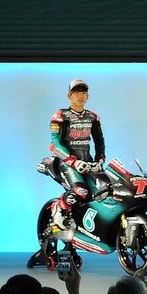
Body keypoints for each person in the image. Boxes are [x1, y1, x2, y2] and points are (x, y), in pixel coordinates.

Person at [49, 79, 106, 233]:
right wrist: (72, 161)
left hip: (88, 163)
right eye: (76, 92)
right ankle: (58, 207)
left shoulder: (93, 117)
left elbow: (99, 141)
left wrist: (100, 159)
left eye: (83, 92)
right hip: (66, 163)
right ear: (69, 96)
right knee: (81, 191)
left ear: (87, 96)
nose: (80, 95)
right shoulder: (60, 115)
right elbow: (54, 145)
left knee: (105, 190)